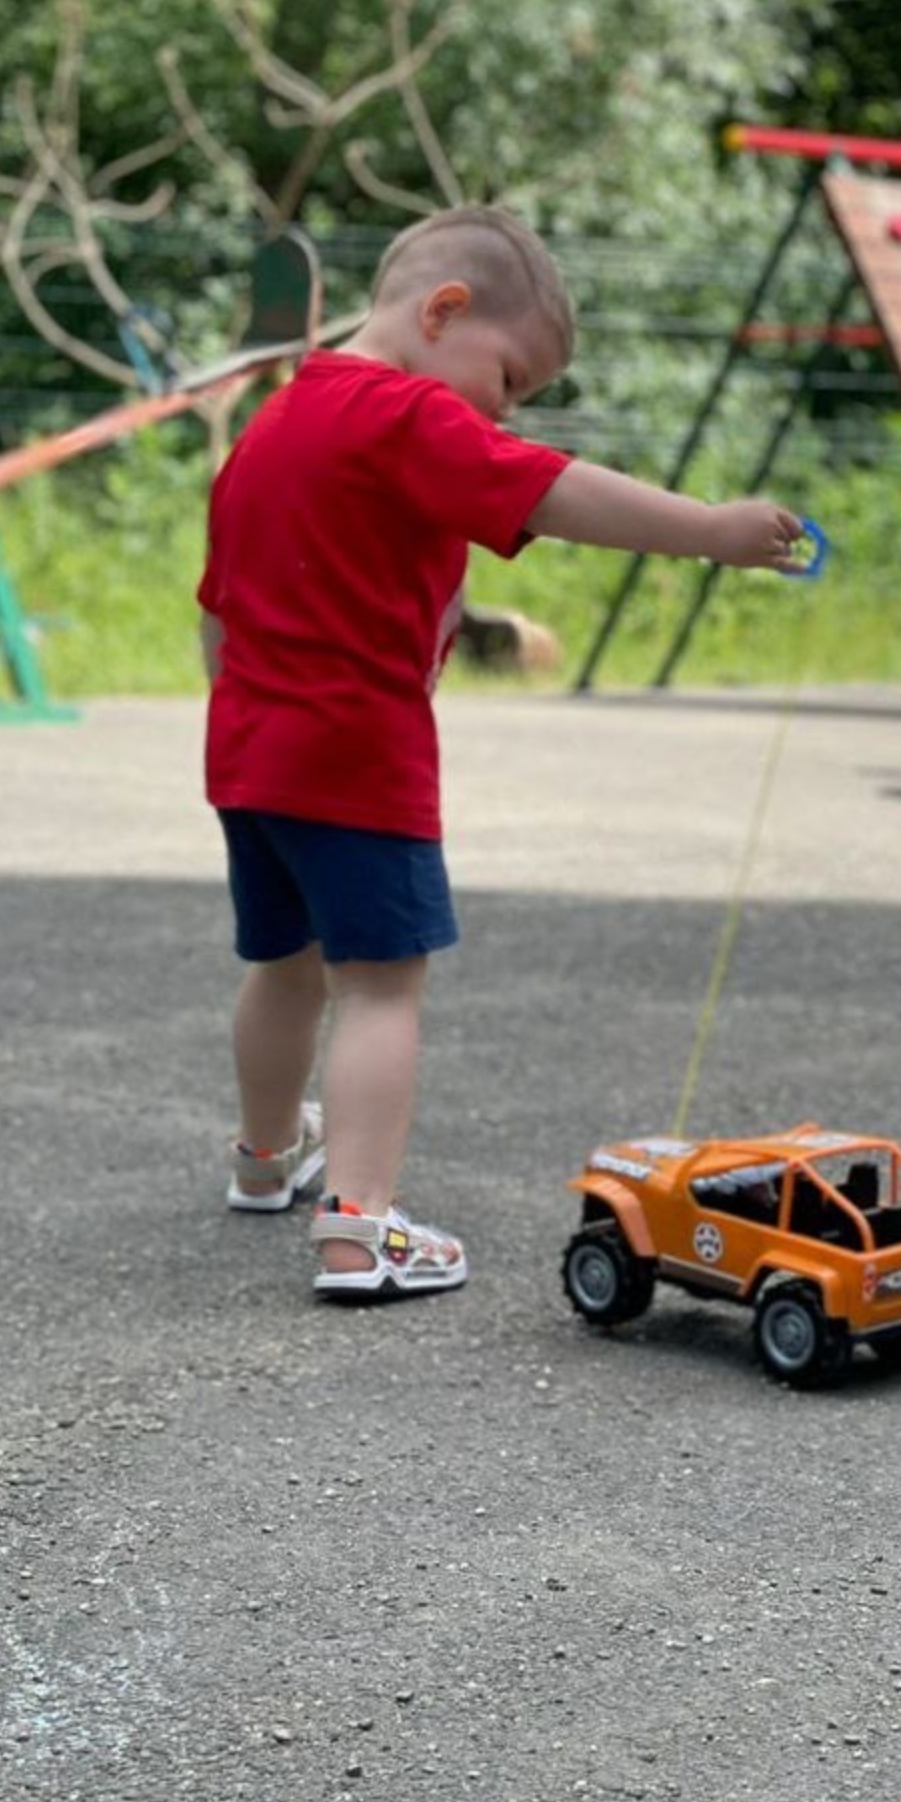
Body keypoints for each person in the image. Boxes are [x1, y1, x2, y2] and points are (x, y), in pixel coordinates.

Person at [199, 204, 805, 1304]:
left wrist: (247, 723)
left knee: (281, 963)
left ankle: (264, 1155)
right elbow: (550, 490)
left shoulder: (279, 421)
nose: (506, 408)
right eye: (512, 377)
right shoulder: (404, 414)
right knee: (381, 986)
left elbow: (218, 613)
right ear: (443, 311)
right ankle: (360, 1227)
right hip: (357, 755)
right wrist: (710, 529)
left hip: (249, 751)